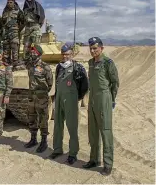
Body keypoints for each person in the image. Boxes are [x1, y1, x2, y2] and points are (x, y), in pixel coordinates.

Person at [83, 37, 119, 176]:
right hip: (92, 98)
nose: (92, 51)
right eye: (91, 48)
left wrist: (111, 99)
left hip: (104, 98)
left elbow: (115, 82)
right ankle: (94, 159)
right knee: (92, 131)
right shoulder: (91, 63)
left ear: (101, 48)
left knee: (105, 131)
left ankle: (108, 164)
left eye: (95, 48)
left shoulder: (108, 63)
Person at [49, 43, 89, 164]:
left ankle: (73, 153)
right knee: (58, 125)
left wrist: (78, 97)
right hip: (59, 98)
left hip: (71, 99)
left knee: (72, 127)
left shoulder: (78, 67)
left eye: (67, 54)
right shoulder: (59, 67)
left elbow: (85, 85)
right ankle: (57, 149)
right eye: (63, 54)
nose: (65, 56)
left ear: (71, 54)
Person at [24, 44, 53, 153]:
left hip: (41, 97)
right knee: (31, 117)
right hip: (31, 96)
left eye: (34, 52)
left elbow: (50, 83)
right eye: (31, 51)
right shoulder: (30, 66)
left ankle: (44, 141)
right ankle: (33, 139)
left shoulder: (45, 67)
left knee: (43, 119)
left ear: (39, 54)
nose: (32, 53)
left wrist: (42, 92)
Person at [1, 0, 25, 71]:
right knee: (6, 52)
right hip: (6, 35)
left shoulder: (18, 11)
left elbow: (23, 21)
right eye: (8, 2)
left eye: (11, 2)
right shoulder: (4, 12)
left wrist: (18, 28)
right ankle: (6, 67)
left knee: (15, 50)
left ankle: (15, 67)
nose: (9, 3)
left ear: (14, 3)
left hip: (14, 34)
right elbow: (2, 22)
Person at [22, 0, 45, 64]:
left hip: (35, 26)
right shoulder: (25, 8)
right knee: (26, 45)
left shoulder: (37, 5)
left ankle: (37, 61)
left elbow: (42, 16)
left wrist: (38, 26)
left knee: (36, 45)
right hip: (27, 27)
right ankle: (26, 61)